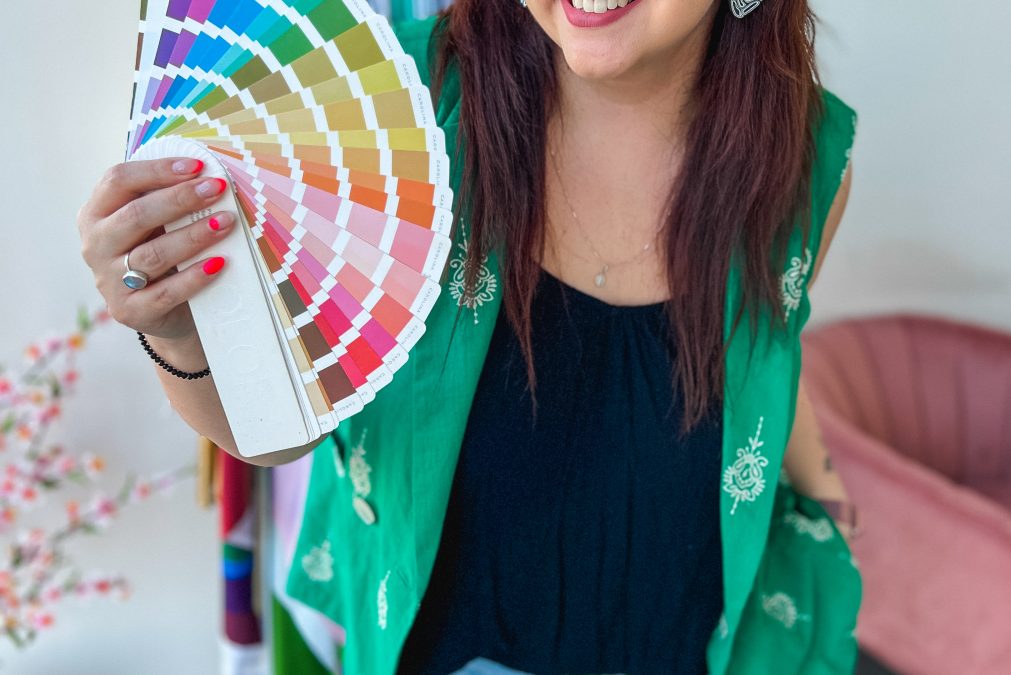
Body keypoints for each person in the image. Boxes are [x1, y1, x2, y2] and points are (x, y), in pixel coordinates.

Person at [76, 0, 861, 673]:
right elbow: (277, 430)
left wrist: (820, 475)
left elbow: (762, 354)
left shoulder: (806, 164)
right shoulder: (379, 111)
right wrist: (178, 334)